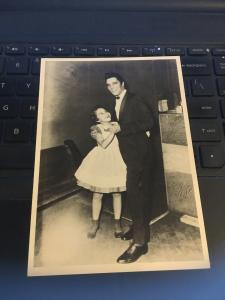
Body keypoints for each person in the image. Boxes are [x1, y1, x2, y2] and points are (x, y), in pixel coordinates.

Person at [103, 72, 154, 263]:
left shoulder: (135, 99)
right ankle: (138, 227)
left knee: (134, 193)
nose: (111, 87)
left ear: (122, 83)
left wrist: (121, 128)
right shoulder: (113, 102)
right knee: (135, 194)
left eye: (114, 83)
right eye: (108, 85)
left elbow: (149, 122)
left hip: (141, 155)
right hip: (128, 154)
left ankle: (140, 243)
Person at [75, 106, 127, 239]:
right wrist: (113, 131)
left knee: (117, 193)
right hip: (101, 161)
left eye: (106, 111)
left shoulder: (117, 124)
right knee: (97, 194)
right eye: (101, 113)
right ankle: (95, 223)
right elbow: (103, 144)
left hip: (117, 159)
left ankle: (117, 223)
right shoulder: (95, 129)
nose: (106, 113)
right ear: (97, 119)